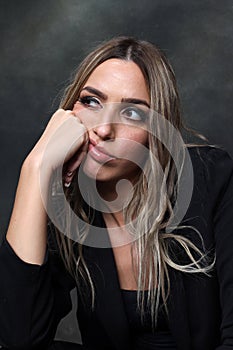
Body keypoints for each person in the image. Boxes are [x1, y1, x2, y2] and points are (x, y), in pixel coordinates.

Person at [0, 36, 233, 350]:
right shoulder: (69, 207)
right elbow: (19, 337)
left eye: (132, 113)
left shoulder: (211, 177)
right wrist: (35, 169)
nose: (104, 129)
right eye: (91, 101)